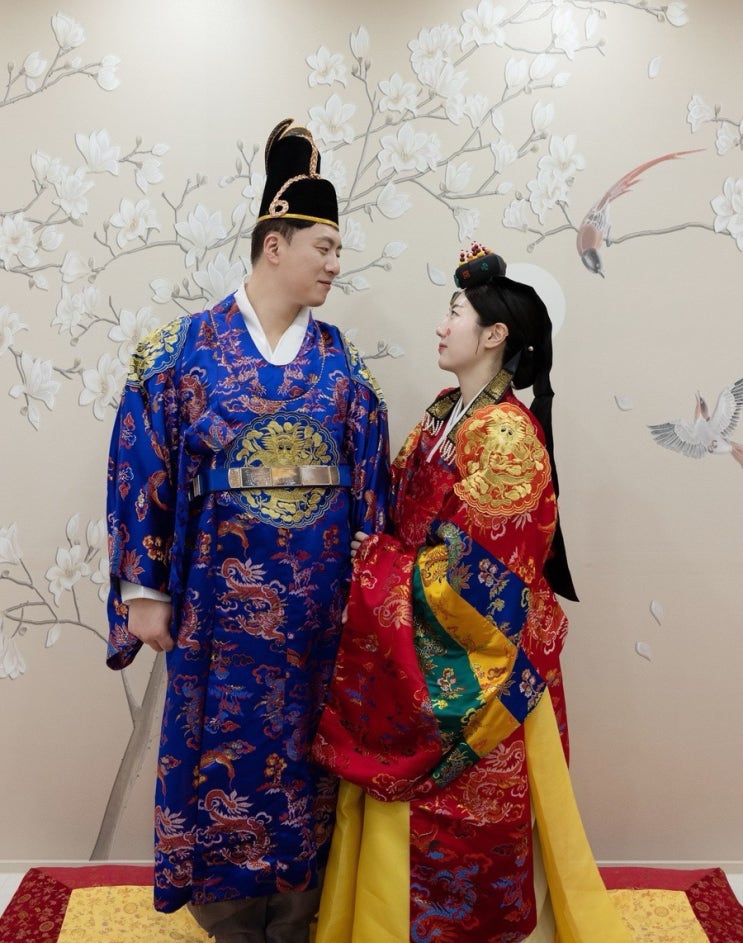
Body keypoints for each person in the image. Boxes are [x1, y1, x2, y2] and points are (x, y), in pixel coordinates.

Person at [105, 117, 390, 943]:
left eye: (337, 250)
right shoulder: (181, 351)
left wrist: (372, 588)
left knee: (308, 757)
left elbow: (371, 481)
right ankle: (226, 917)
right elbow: (140, 467)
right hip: (214, 610)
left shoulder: (342, 363)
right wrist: (144, 588)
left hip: (318, 615)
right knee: (217, 749)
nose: (335, 264)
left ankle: (299, 916)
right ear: (275, 244)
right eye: (324, 247)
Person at [311, 245, 633, 942]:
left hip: (481, 663)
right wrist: (378, 550)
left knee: (475, 830)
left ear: (494, 335)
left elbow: (483, 577)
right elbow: (401, 517)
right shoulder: (441, 415)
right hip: (412, 650)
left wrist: (379, 569)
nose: (441, 325)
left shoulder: (506, 434)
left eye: (454, 312)